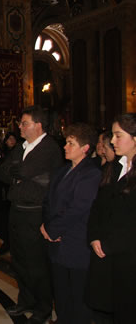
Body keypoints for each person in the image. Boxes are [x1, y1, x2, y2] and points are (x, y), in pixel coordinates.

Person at [0, 105, 63, 324]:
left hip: (35, 213)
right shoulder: (21, 147)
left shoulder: (49, 147)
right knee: (19, 260)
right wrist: (19, 173)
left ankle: (43, 307)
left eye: (24, 123)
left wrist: (19, 173)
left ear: (38, 125)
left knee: (36, 263)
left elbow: (22, 171)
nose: (20, 126)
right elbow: (3, 172)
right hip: (16, 210)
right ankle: (25, 300)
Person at [40, 123, 101, 324]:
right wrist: (47, 226)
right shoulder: (62, 171)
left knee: (78, 294)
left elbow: (78, 208)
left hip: (75, 242)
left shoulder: (91, 173)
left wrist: (53, 228)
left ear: (85, 148)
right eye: (66, 142)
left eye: (70, 143)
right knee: (61, 291)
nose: (65, 147)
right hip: (56, 241)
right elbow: (48, 201)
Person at [86, 113, 136, 324]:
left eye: (118, 135)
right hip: (106, 250)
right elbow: (98, 206)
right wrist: (95, 236)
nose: (112, 141)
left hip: (128, 255)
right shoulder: (113, 167)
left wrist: (110, 244)